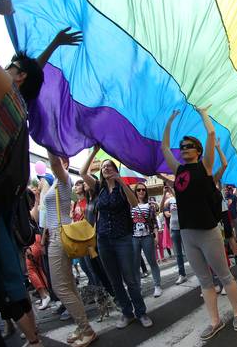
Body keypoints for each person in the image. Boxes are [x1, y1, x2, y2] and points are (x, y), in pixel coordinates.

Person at [0, 0, 48, 346]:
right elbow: (33, 72)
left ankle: (32, 339)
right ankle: (33, 339)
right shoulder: (12, 102)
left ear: (18, 78)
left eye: (11, 65)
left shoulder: (9, 100)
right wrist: (53, 47)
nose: (4, 66)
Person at [161, 106, 237, 340]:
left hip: (208, 231)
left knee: (224, 275)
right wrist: (169, 122)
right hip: (187, 233)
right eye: (183, 146)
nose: (184, 149)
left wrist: (203, 113)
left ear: (197, 151)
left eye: (189, 146)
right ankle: (215, 321)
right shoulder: (178, 170)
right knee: (204, 280)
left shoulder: (205, 166)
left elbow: (210, 135)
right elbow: (165, 147)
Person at [81, 147, 153, 328]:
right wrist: (95, 151)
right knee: (114, 280)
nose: (106, 168)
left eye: (109, 166)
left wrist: (120, 181)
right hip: (103, 240)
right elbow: (82, 172)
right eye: (104, 167)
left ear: (115, 169)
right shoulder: (98, 188)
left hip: (123, 238)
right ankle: (127, 313)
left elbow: (134, 203)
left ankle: (141, 312)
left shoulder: (123, 188)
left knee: (130, 278)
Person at [44, 152, 97, 345]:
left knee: (60, 287)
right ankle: (81, 325)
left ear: (65, 162)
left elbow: (54, 164)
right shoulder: (56, 183)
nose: (55, 162)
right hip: (56, 235)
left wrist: (48, 143)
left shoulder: (64, 178)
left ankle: (86, 330)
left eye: (59, 158)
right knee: (69, 286)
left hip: (60, 236)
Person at [131, 183, 162, 297]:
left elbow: (154, 223)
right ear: (135, 192)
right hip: (134, 237)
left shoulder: (150, 206)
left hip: (147, 236)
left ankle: (157, 285)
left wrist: (156, 236)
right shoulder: (130, 205)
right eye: (138, 190)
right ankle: (138, 288)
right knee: (135, 264)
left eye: (143, 190)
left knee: (152, 261)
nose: (141, 192)